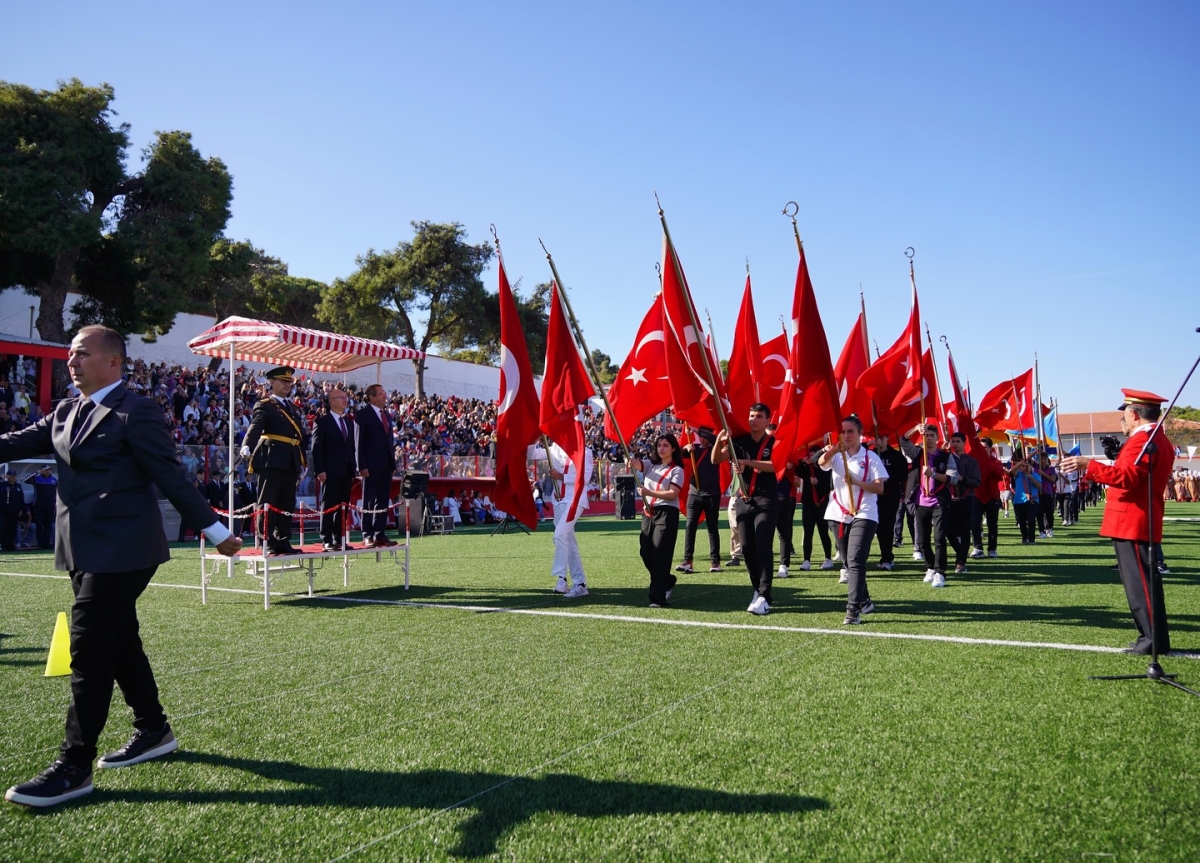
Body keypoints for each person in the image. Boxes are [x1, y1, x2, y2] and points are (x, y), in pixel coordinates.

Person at [2, 325, 241, 809]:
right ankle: (153, 730)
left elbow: (169, 474)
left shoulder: (138, 409)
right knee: (120, 639)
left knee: (90, 648)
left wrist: (216, 533)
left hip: (125, 548)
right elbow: (13, 442)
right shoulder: (66, 411)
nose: (71, 362)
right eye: (70, 354)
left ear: (113, 362)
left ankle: (74, 767)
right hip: (81, 548)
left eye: (81, 354)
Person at [1060, 389, 1173, 655]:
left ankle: (1151, 640)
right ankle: (1153, 637)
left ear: (1133, 414)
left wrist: (1088, 465)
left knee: (1140, 585)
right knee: (1145, 583)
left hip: (1132, 519)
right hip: (1138, 518)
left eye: (1125, 414)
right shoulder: (1155, 439)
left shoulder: (1142, 441)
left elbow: (1127, 477)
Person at [818, 415, 889, 625]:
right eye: (843, 432)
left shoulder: (870, 457)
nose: (846, 436)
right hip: (837, 514)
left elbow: (879, 487)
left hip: (864, 513)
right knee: (848, 561)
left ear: (860, 434)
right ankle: (865, 599)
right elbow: (822, 463)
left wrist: (857, 482)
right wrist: (834, 449)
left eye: (850, 432)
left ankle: (853, 610)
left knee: (856, 560)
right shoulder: (837, 456)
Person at [713, 403, 777, 615]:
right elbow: (716, 459)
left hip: (765, 499)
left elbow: (777, 465)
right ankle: (757, 590)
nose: (753, 419)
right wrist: (719, 440)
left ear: (767, 420)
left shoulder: (774, 442)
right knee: (747, 549)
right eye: (751, 415)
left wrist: (748, 462)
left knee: (763, 547)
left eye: (759, 416)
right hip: (743, 499)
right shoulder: (738, 442)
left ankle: (765, 595)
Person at [241, 367, 308, 554]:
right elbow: (256, 426)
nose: (287, 385)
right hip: (271, 459)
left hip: (290, 460)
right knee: (268, 503)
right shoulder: (265, 405)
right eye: (283, 381)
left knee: (287, 503)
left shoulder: (293, 408)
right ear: (271, 382)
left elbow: (299, 436)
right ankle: (266, 541)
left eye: (289, 382)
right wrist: (247, 444)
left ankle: (283, 540)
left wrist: (303, 462)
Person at [527, 438, 594, 598]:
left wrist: (562, 477)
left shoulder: (585, 451)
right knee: (569, 542)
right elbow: (532, 454)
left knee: (560, 535)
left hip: (575, 500)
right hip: (558, 500)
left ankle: (561, 577)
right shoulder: (556, 448)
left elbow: (584, 478)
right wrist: (534, 438)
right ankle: (579, 583)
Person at [629, 434, 685, 607]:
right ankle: (666, 580)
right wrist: (630, 459)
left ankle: (657, 597)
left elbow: (672, 494)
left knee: (660, 552)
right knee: (646, 551)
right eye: (659, 445)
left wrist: (649, 493)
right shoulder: (651, 465)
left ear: (673, 448)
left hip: (667, 512)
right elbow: (637, 464)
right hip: (648, 513)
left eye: (666, 445)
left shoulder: (677, 470)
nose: (661, 448)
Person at [902, 424, 957, 588]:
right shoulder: (918, 453)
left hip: (939, 501)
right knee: (922, 539)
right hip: (920, 502)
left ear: (937, 438)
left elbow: (953, 477)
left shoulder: (946, 457)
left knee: (939, 537)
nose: (929, 438)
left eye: (932, 435)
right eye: (926, 435)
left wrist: (933, 474)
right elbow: (904, 441)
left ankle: (940, 572)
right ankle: (930, 567)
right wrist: (915, 429)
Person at [311, 388, 357, 551]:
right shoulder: (322, 422)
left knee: (342, 506)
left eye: (346, 397)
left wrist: (354, 468)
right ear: (331, 401)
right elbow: (317, 447)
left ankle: (340, 538)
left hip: (346, 471)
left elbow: (351, 448)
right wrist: (320, 469)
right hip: (330, 471)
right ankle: (326, 538)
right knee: (329, 504)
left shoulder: (349, 423)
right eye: (341, 397)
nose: (345, 400)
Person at [676, 427, 723, 575]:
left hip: (712, 494)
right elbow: (676, 456)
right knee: (690, 527)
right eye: (700, 436)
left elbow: (716, 439)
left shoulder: (715, 448)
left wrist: (696, 430)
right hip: (694, 493)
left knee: (712, 528)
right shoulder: (692, 449)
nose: (702, 439)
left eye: (704, 436)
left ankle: (715, 561)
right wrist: (684, 448)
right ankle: (687, 561)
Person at [355, 384, 397, 548]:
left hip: (386, 465)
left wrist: (392, 463)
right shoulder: (363, 415)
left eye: (384, 393)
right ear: (372, 397)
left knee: (382, 501)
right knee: (369, 501)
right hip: (370, 465)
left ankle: (380, 533)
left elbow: (389, 441)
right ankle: (367, 534)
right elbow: (359, 442)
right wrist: (361, 465)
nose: (384, 396)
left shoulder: (386, 415)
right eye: (380, 394)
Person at [946, 432, 981, 574]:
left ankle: (961, 562)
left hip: (967, 499)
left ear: (964, 443)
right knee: (947, 530)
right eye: (953, 441)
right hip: (949, 500)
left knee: (965, 531)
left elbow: (977, 482)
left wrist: (962, 479)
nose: (955, 444)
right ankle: (961, 551)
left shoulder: (971, 461)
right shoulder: (946, 459)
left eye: (957, 441)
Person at [873, 433, 908, 572]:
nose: (879, 440)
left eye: (882, 437)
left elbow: (903, 475)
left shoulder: (897, 456)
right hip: (872, 497)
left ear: (887, 438)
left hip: (889, 497)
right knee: (871, 529)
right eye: (877, 437)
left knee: (886, 529)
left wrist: (887, 479)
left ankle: (887, 558)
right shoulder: (870, 455)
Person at [797, 444, 834, 571]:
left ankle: (828, 558)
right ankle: (806, 560)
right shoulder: (807, 469)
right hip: (808, 505)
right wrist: (802, 462)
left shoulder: (826, 469)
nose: (813, 459)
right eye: (811, 456)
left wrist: (818, 483)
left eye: (815, 456)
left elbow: (828, 488)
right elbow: (797, 470)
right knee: (808, 533)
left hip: (822, 504)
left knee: (823, 532)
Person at [971, 438, 1004, 558]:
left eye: (984, 448)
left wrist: (987, 462)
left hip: (992, 496)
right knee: (974, 522)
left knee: (992, 524)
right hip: (976, 496)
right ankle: (978, 547)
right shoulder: (973, 461)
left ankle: (992, 549)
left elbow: (1000, 474)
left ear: (990, 448)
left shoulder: (996, 462)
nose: (981, 450)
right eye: (979, 448)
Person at [25, 464, 57, 549]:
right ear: (42, 470)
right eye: (46, 470)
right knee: (39, 525)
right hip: (39, 506)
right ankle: (40, 544)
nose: (48, 471)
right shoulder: (36, 479)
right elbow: (26, 480)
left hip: (50, 506)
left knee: (48, 525)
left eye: (49, 470)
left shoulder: (54, 480)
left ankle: (47, 543)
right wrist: (36, 472)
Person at [0, 469, 24, 551]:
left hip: (15, 511)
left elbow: (21, 498)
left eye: (14, 476)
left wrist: (21, 509)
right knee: (3, 528)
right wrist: (1, 477)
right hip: (4, 511)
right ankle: (3, 545)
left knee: (13, 529)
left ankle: (10, 545)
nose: (13, 477)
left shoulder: (18, 486)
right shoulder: (2, 485)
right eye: (11, 476)